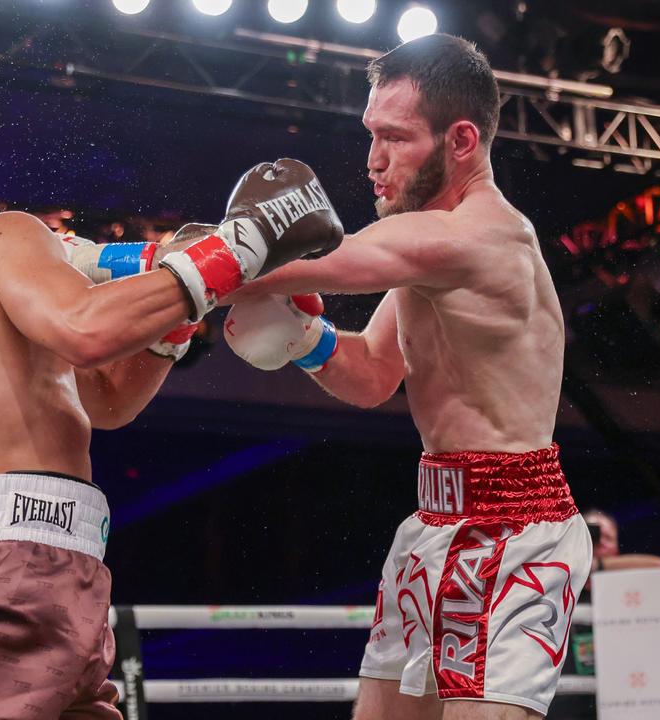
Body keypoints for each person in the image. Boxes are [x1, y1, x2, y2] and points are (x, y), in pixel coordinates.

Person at [0, 146, 341, 718]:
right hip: (16, 567)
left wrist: (181, 314)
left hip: (40, 566)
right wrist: (244, 243)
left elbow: (108, 402)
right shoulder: (2, 235)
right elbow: (86, 328)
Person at [222, 34, 591, 719]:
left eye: (395, 138)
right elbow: (372, 375)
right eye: (371, 134)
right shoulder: (430, 245)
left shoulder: (473, 237)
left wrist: (108, 266)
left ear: (460, 141)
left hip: (514, 532)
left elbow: (321, 261)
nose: (374, 161)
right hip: (433, 521)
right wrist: (304, 340)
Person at [551, 508, 660, 719]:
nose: (600, 542)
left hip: (618, 700)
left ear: (616, 546)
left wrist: (598, 566)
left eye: (608, 537)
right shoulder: (555, 577)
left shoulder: (625, 585)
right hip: (565, 703)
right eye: (593, 534)